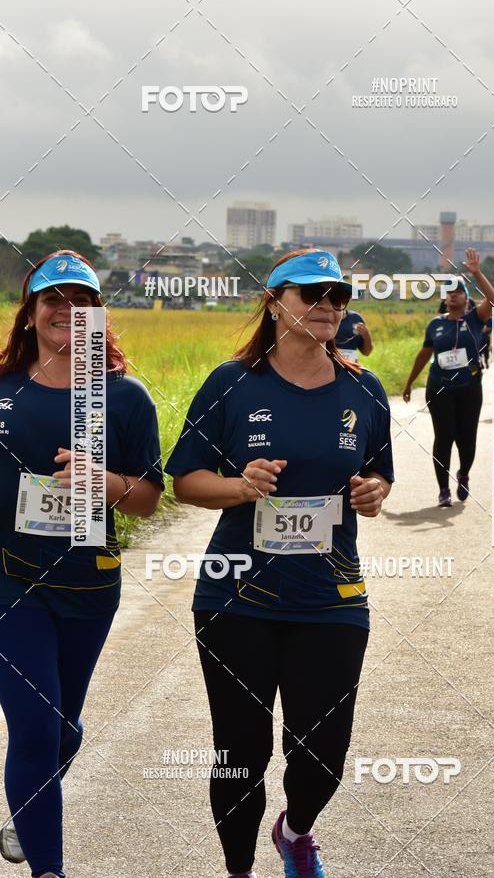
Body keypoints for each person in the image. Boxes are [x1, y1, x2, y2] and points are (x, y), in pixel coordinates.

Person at [165, 248, 394, 878]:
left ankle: (295, 831)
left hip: (332, 597)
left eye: (337, 297)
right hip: (235, 596)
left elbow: (377, 478)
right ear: (274, 303)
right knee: (240, 750)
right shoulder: (232, 383)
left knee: (323, 752)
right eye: (311, 295)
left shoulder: (363, 389)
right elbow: (185, 481)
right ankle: (238, 869)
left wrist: (375, 493)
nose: (328, 307)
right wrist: (241, 486)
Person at [0, 251, 164, 878]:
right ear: (30, 313)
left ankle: (26, 808)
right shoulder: (5, 389)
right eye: (53, 301)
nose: (66, 312)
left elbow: (148, 501)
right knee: (36, 731)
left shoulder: (125, 398)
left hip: (90, 582)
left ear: (98, 315)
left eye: (81, 303)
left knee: (63, 730)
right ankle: (50, 869)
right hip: (12, 580)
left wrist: (104, 484)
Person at [403, 249, 494, 507]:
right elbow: (424, 354)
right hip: (439, 387)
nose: (453, 295)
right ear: (445, 298)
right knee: (444, 436)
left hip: (469, 387)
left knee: (466, 438)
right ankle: (443, 489)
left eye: (458, 291)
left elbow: (492, 298)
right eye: (449, 292)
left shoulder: (475, 319)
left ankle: (464, 472)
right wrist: (410, 382)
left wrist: (476, 272)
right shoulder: (435, 324)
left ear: (466, 298)